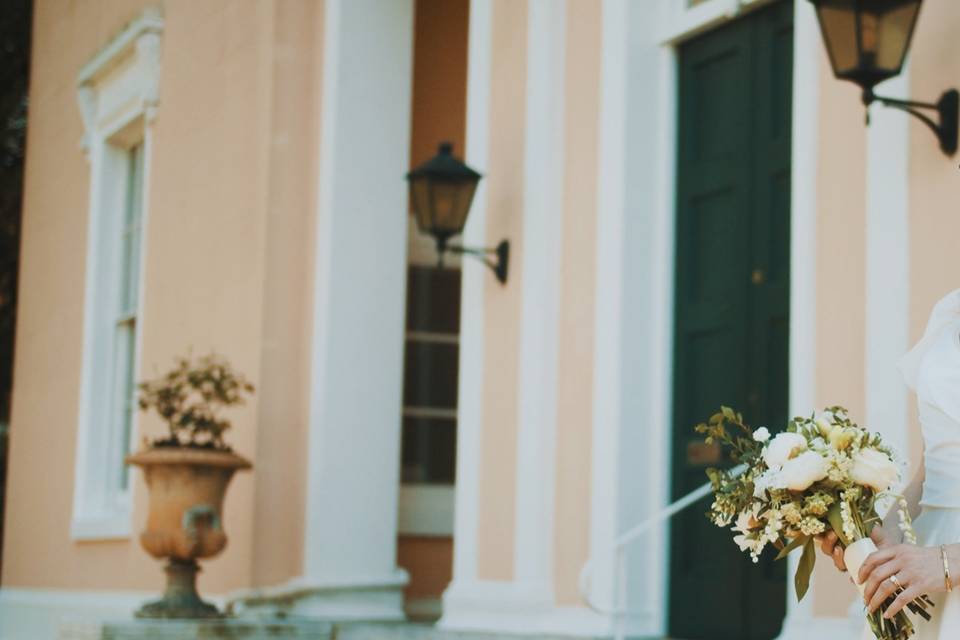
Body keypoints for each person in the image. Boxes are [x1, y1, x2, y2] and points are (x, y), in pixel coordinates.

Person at [820, 289, 960, 638]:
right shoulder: (948, 312)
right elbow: (933, 472)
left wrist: (947, 562)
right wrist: (883, 536)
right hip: (922, 563)